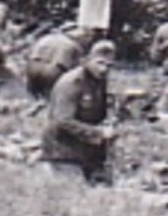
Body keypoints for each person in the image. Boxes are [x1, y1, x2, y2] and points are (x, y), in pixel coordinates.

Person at [42, 40, 118, 184]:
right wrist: (99, 133)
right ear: (88, 60)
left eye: (109, 65)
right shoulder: (72, 83)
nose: (104, 69)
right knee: (74, 190)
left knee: (104, 187)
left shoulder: (99, 80)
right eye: (100, 63)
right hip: (62, 149)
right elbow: (63, 121)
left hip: (86, 148)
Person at [25, 28, 85, 100]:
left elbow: (28, 55)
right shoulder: (75, 46)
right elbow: (75, 69)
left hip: (33, 66)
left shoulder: (46, 38)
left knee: (31, 95)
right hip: (52, 70)